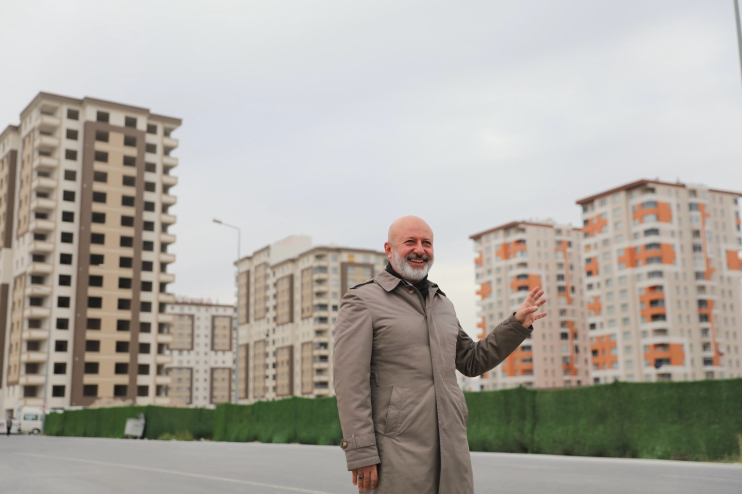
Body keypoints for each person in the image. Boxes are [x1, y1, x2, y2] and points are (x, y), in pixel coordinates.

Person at [333, 216, 547, 493]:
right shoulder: (362, 300)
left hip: (452, 452)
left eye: (427, 243)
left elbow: (471, 361)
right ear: (389, 249)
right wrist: (361, 452)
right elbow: (350, 382)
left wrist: (516, 325)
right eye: (410, 242)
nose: (419, 249)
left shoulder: (442, 304)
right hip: (395, 454)